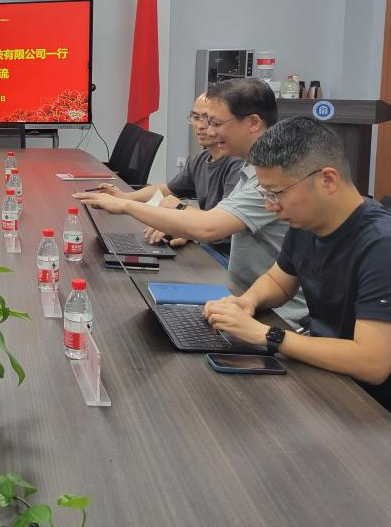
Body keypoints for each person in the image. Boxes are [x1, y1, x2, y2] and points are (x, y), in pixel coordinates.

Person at [75, 78, 305, 325]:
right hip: (245, 297)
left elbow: (209, 227)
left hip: (275, 315)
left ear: (253, 123)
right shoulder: (251, 168)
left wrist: (126, 205)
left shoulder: (272, 179)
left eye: (216, 123)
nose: (209, 131)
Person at [204, 117, 391, 409]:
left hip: (370, 406)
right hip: (324, 374)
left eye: (277, 193)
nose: (270, 206)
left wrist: (268, 335)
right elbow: (279, 281)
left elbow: (372, 363)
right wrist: (248, 301)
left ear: (327, 180)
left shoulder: (381, 245)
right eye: (265, 194)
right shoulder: (307, 222)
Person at [95, 92, 242, 256]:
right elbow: (167, 189)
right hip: (204, 242)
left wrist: (181, 214)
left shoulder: (238, 165)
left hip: (223, 254)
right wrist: (125, 197)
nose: (200, 126)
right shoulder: (201, 159)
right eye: (195, 118)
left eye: (208, 119)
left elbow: (220, 227)